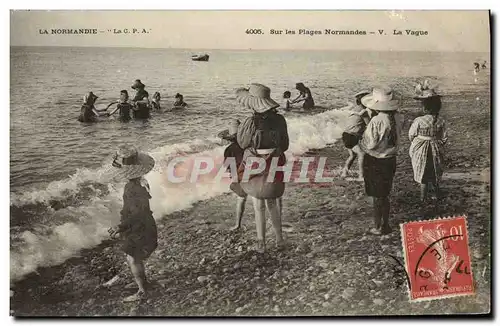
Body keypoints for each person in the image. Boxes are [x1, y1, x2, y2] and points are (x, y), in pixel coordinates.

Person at [235, 83, 289, 252]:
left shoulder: (250, 121)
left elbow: (242, 143)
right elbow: (285, 145)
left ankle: (262, 243)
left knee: (258, 205)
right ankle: (279, 239)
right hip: (274, 161)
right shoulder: (280, 120)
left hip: (254, 163)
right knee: (272, 202)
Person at [102, 145, 157, 302]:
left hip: (139, 227)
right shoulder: (141, 183)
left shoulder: (131, 188)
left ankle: (142, 290)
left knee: (133, 258)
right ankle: (144, 283)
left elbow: (137, 213)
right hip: (145, 224)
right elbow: (141, 211)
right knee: (134, 256)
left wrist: (120, 226)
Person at [358, 87, 404, 235]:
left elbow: (370, 144)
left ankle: (379, 227)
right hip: (390, 160)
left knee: (377, 196)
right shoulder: (398, 117)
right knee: (384, 194)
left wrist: (360, 139)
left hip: (376, 160)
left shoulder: (376, 121)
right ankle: (385, 224)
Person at [410, 92, 447, 202]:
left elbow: (411, 134)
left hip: (421, 148)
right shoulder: (440, 120)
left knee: (423, 173)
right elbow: (444, 137)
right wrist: (437, 143)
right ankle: (436, 193)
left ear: (424, 108)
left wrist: (417, 142)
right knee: (434, 170)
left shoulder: (419, 120)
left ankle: (423, 197)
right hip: (435, 147)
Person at [341, 90, 373, 180]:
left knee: (352, 155)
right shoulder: (364, 111)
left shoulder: (355, 109)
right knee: (362, 154)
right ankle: (361, 176)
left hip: (346, 134)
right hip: (352, 135)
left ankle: (344, 172)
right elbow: (369, 125)